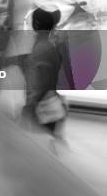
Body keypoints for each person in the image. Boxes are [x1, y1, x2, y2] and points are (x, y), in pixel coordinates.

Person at [23, 8, 67, 140]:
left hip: (42, 110)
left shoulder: (41, 49)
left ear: (35, 24)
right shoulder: (49, 46)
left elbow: (43, 81)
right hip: (51, 106)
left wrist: (30, 106)